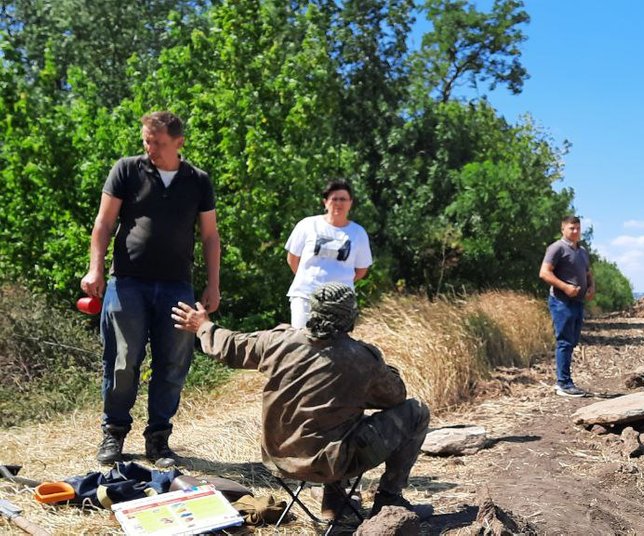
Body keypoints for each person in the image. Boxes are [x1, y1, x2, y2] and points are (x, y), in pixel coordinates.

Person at [170, 282, 430, 521]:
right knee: (416, 411)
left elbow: (230, 346)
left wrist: (203, 325)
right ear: (351, 316)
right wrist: (384, 368)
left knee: (336, 419)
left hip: (280, 460)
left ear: (313, 311)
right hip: (331, 464)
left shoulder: (279, 341)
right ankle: (389, 499)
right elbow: (397, 397)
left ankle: (334, 501)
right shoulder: (362, 359)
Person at [80, 111, 221, 467]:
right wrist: (95, 269)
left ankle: (158, 440)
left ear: (179, 142)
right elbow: (104, 222)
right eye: (146, 140)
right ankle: (113, 433)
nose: (150, 148)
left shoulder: (198, 181)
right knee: (122, 362)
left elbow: (210, 235)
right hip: (127, 281)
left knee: (173, 362)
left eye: (157, 143)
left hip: (177, 285)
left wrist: (213, 285)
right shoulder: (127, 169)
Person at [285, 180, 372, 329]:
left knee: (336, 347)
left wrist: (337, 285)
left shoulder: (358, 233)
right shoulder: (307, 225)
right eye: (334, 199)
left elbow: (361, 270)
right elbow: (292, 258)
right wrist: (308, 280)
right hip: (306, 296)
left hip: (340, 303)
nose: (338, 203)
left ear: (350, 203)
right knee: (302, 342)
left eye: (343, 199)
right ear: (325, 202)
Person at [539, 216, 595, 397]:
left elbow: (588, 273)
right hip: (561, 301)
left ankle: (566, 381)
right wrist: (565, 287)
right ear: (563, 229)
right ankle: (563, 383)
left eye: (578, 228)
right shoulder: (556, 248)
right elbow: (544, 273)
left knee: (572, 342)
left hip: (578, 302)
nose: (576, 231)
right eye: (572, 228)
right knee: (564, 342)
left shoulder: (582, 251)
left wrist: (591, 287)